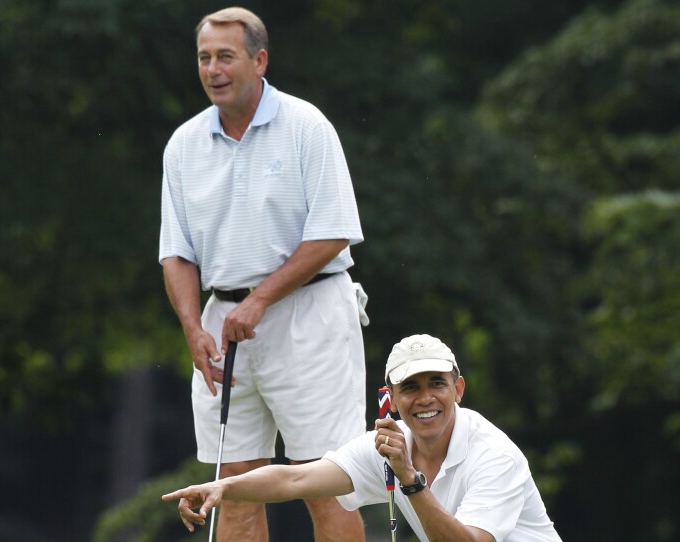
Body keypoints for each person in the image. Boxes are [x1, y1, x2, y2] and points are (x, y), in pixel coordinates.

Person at [158, 6, 368, 541]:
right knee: (233, 487)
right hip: (223, 324)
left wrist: (260, 300)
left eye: (225, 57)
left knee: (327, 482)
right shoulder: (183, 145)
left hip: (310, 316)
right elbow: (177, 254)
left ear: (260, 60)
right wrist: (191, 327)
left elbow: (333, 232)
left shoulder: (305, 125)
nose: (212, 69)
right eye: (204, 58)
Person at [163, 334, 564, 542]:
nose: (425, 399)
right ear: (390, 397)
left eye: (436, 384)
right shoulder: (387, 444)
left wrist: (409, 481)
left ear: (458, 389)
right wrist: (223, 486)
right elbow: (295, 479)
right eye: (410, 387)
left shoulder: (495, 455)